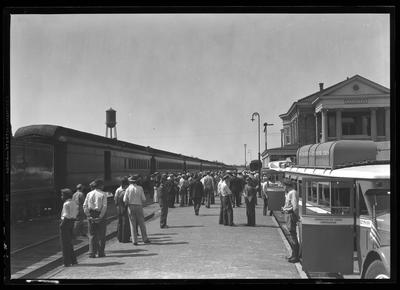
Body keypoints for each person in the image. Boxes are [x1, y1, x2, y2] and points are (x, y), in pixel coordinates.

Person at [83, 179, 108, 258]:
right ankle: (101, 252)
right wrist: (100, 216)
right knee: (101, 234)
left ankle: (92, 253)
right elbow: (104, 206)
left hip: (91, 213)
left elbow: (84, 205)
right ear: (100, 186)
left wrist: (88, 215)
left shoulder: (89, 194)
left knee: (92, 234)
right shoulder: (103, 194)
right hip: (100, 213)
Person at [124, 175, 151, 245]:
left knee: (132, 224)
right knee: (142, 223)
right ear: (136, 181)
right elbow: (144, 199)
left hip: (130, 206)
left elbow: (124, 200)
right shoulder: (140, 188)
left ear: (130, 182)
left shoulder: (127, 189)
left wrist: (128, 203)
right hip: (139, 206)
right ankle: (145, 239)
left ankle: (134, 240)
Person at [281, 179, 300, 263]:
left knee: (293, 235)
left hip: (291, 215)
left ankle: (295, 256)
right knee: (291, 234)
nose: (283, 187)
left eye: (283, 185)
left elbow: (295, 207)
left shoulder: (293, 193)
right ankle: (293, 255)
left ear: (287, 185)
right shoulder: (289, 193)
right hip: (288, 214)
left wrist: (296, 216)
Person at [59, 188, 78, 267]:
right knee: (70, 242)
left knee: (65, 244)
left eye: (62, 195)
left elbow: (66, 215)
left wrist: (61, 225)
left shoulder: (66, 204)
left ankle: (66, 262)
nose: (61, 197)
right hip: (72, 222)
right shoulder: (74, 202)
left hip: (66, 223)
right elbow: (76, 213)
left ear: (66, 196)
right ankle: (73, 260)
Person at [114, 177, 131, 243]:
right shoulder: (127, 190)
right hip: (125, 207)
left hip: (119, 207)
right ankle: (125, 238)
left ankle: (119, 237)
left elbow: (115, 199)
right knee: (126, 223)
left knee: (120, 223)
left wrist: (117, 206)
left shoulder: (118, 189)